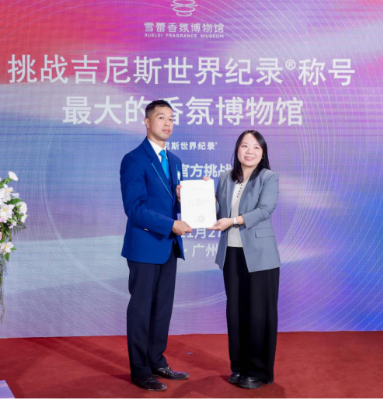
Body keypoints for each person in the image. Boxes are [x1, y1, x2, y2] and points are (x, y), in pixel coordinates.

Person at [120, 100, 192, 391]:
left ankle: (157, 361)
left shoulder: (175, 161)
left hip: (169, 246)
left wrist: (191, 197)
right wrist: (171, 225)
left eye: (171, 118)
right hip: (145, 245)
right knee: (141, 309)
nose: (167, 123)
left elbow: (172, 204)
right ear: (147, 122)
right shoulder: (134, 159)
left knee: (162, 308)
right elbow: (134, 209)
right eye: (161, 118)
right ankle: (140, 370)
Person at [208, 130, 281, 389]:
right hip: (231, 253)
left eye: (256, 147)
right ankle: (238, 367)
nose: (249, 151)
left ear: (263, 153)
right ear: (237, 150)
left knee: (258, 313)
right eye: (244, 146)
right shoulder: (224, 178)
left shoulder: (268, 177)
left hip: (261, 256)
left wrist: (234, 220)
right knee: (235, 312)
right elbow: (217, 212)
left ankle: (258, 371)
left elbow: (265, 210)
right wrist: (199, 196)